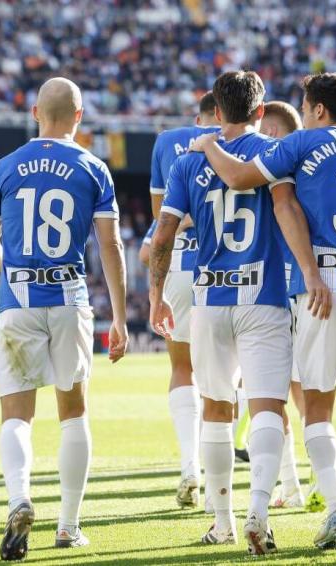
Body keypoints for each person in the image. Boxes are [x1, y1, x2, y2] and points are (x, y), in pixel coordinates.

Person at [192, 72, 336, 553]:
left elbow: (240, 177)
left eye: (307, 107)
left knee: (318, 408)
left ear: (319, 111)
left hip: (320, 289)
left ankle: (335, 509)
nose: (304, 115)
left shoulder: (302, 144)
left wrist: (208, 145)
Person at [149, 71, 326, 555]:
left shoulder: (186, 163)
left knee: (215, 409)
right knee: (267, 405)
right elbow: (287, 210)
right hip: (262, 297)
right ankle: (260, 513)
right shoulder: (273, 152)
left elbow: (163, 235)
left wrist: (156, 294)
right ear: (259, 108)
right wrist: (310, 273)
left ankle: (222, 521)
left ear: (218, 110)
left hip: (208, 299)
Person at [0, 77, 128, 561]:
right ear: (79, 117)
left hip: (18, 301)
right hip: (70, 298)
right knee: (74, 412)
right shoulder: (93, 167)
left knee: (16, 415)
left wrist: (16, 273)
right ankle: (68, 526)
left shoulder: (6, 166)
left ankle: (20, 499)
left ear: (36, 110)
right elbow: (110, 245)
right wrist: (120, 316)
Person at [141, 92, 219, 509]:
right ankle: (219, 477)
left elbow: (161, 217)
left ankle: (189, 464)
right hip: (226, 265)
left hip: (178, 266)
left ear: (198, 114)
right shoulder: (240, 137)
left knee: (181, 367)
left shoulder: (167, 140)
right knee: (226, 374)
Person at [259, 101, 307, 510]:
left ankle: (308, 485)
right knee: (283, 395)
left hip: (287, 295)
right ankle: (292, 486)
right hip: (287, 294)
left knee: (296, 395)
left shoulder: (283, 176)